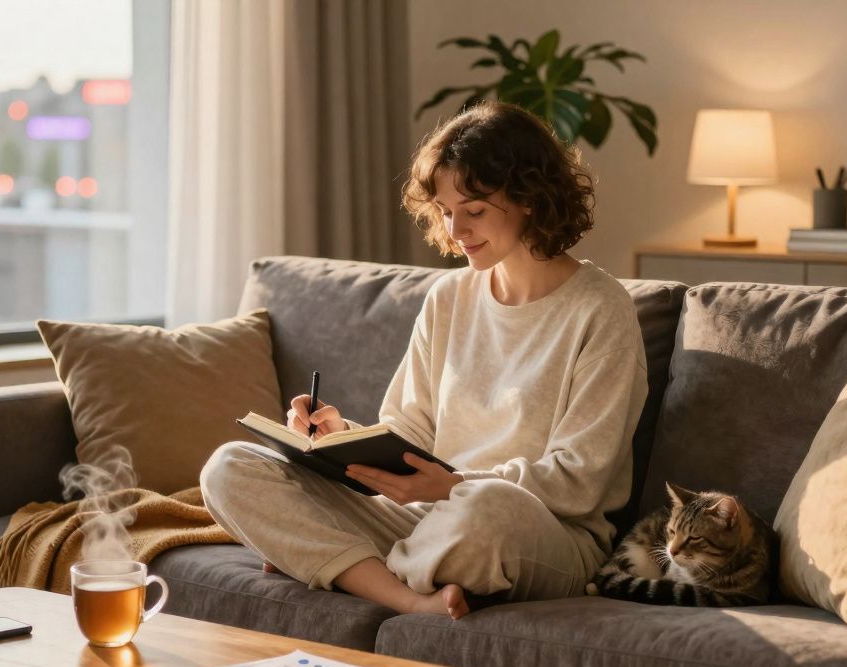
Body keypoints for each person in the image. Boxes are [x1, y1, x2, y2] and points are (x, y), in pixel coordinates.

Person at [200, 101, 648, 619]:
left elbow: (577, 481)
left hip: (533, 532)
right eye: (445, 211)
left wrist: (455, 485)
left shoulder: (601, 309)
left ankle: (329, 559)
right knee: (229, 467)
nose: (456, 230)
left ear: (530, 197)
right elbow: (408, 431)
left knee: (486, 512)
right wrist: (341, 438)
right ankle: (407, 595)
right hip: (424, 516)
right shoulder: (448, 297)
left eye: (474, 210)